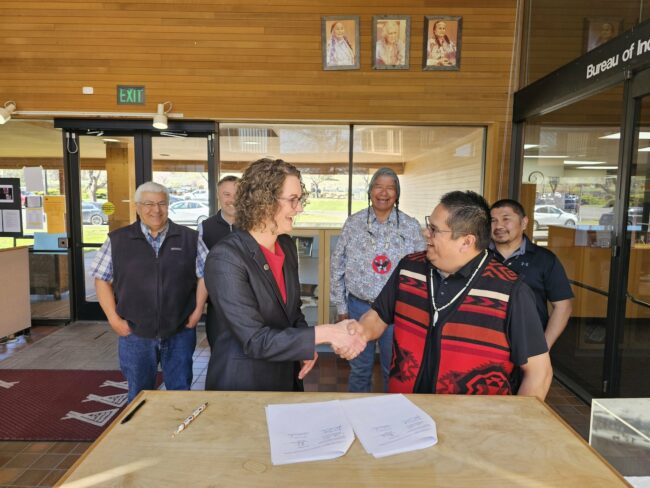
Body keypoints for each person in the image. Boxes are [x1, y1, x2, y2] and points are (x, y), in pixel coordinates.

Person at [345, 191, 552, 400]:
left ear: (466, 241)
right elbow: (378, 315)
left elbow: (539, 373)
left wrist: (519, 426)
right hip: (404, 411)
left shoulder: (510, 291)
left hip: (471, 425)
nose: (426, 233)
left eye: (434, 230)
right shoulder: (409, 268)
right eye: (429, 225)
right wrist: (361, 331)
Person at [204, 158, 366, 392]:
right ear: (263, 202)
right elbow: (254, 340)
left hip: (286, 376)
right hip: (243, 385)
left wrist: (304, 345)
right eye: (292, 200)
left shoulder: (286, 246)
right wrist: (324, 334)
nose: (299, 208)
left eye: (299, 200)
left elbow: (292, 311)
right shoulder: (225, 258)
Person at [91, 181, 209, 402]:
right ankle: (140, 436)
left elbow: (205, 275)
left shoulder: (190, 238)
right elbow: (101, 279)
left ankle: (176, 434)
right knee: (139, 394)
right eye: (148, 203)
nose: (155, 209)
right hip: (135, 333)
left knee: (180, 391)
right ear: (137, 207)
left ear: (168, 205)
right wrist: (114, 319)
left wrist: (197, 311)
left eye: (161, 203)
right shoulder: (118, 240)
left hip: (179, 330)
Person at [330, 168, 426, 393]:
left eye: (390, 187)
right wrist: (341, 307)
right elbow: (337, 265)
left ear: (397, 193)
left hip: (397, 310)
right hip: (358, 306)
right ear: (370, 190)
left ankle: (389, 420)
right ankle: (356, 416)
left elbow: (421, 270)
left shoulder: (410, 226)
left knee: (392, 369)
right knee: (360, 369)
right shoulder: (353, 223)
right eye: (378, 186)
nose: (384, 192)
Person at [490, 199, 573, 349]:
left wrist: (543, 347)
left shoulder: (544, 259)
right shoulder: (478, 257)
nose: (499, 226)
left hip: (528, 345)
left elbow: (563, 306)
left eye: (506, 219)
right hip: (486, 343)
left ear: (524, 222)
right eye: (493, 221)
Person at [198, 175, 239, 351]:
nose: (232, 200)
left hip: (251, 304)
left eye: (237, 194)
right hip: (217, 305)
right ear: (218, 196)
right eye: (227, 194)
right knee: (219, 353)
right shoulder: (205, 228)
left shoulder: (255, 225)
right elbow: (200, 269)